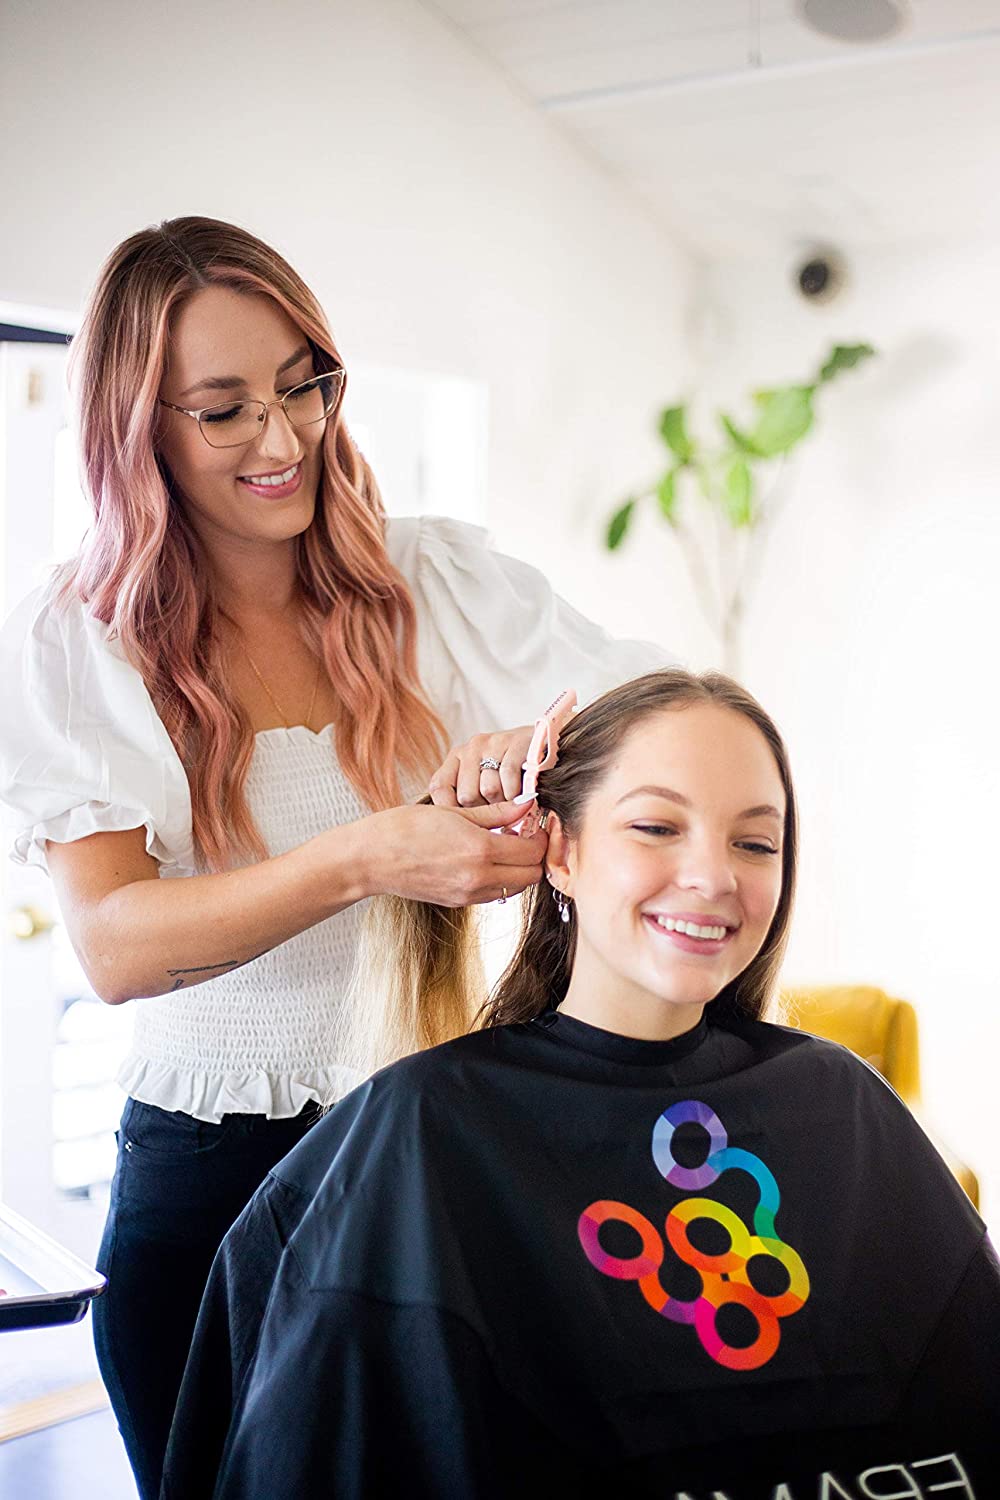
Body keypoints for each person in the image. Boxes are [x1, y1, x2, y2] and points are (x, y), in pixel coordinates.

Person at [0, 216, 670, 1500]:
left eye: (304, 384)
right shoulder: (78, 638)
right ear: (138, 432)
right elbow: (118, 948)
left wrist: (538, 763)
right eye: (224, 411)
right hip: (206, 1191)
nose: (284, 439)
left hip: (419, 1152)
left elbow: (662, 724)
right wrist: (367, 857)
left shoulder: (430, 580)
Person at [162, 669, 999, 1498]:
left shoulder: (842, 1102)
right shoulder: (420, 1126)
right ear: (560, 850)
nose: (714, 877)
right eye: (657, 827)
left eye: (755, 843)